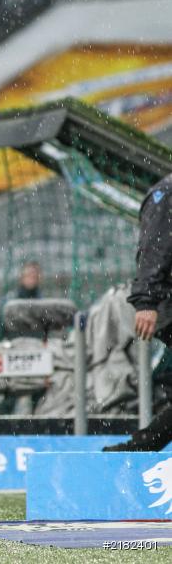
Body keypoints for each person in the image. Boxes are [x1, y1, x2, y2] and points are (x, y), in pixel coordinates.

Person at [104, 174, 172, 452]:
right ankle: (142, 447)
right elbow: (154, 249)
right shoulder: (167, 194)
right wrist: (146, 302)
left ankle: (142, 446)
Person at [0, 260, 42, 414]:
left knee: (38, 397)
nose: (32, 279)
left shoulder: (42, 301)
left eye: (35, 276)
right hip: (13, 354)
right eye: (29, 275)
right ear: (22, 278)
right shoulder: (10, 300)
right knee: (9, 397)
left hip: (36, 355)